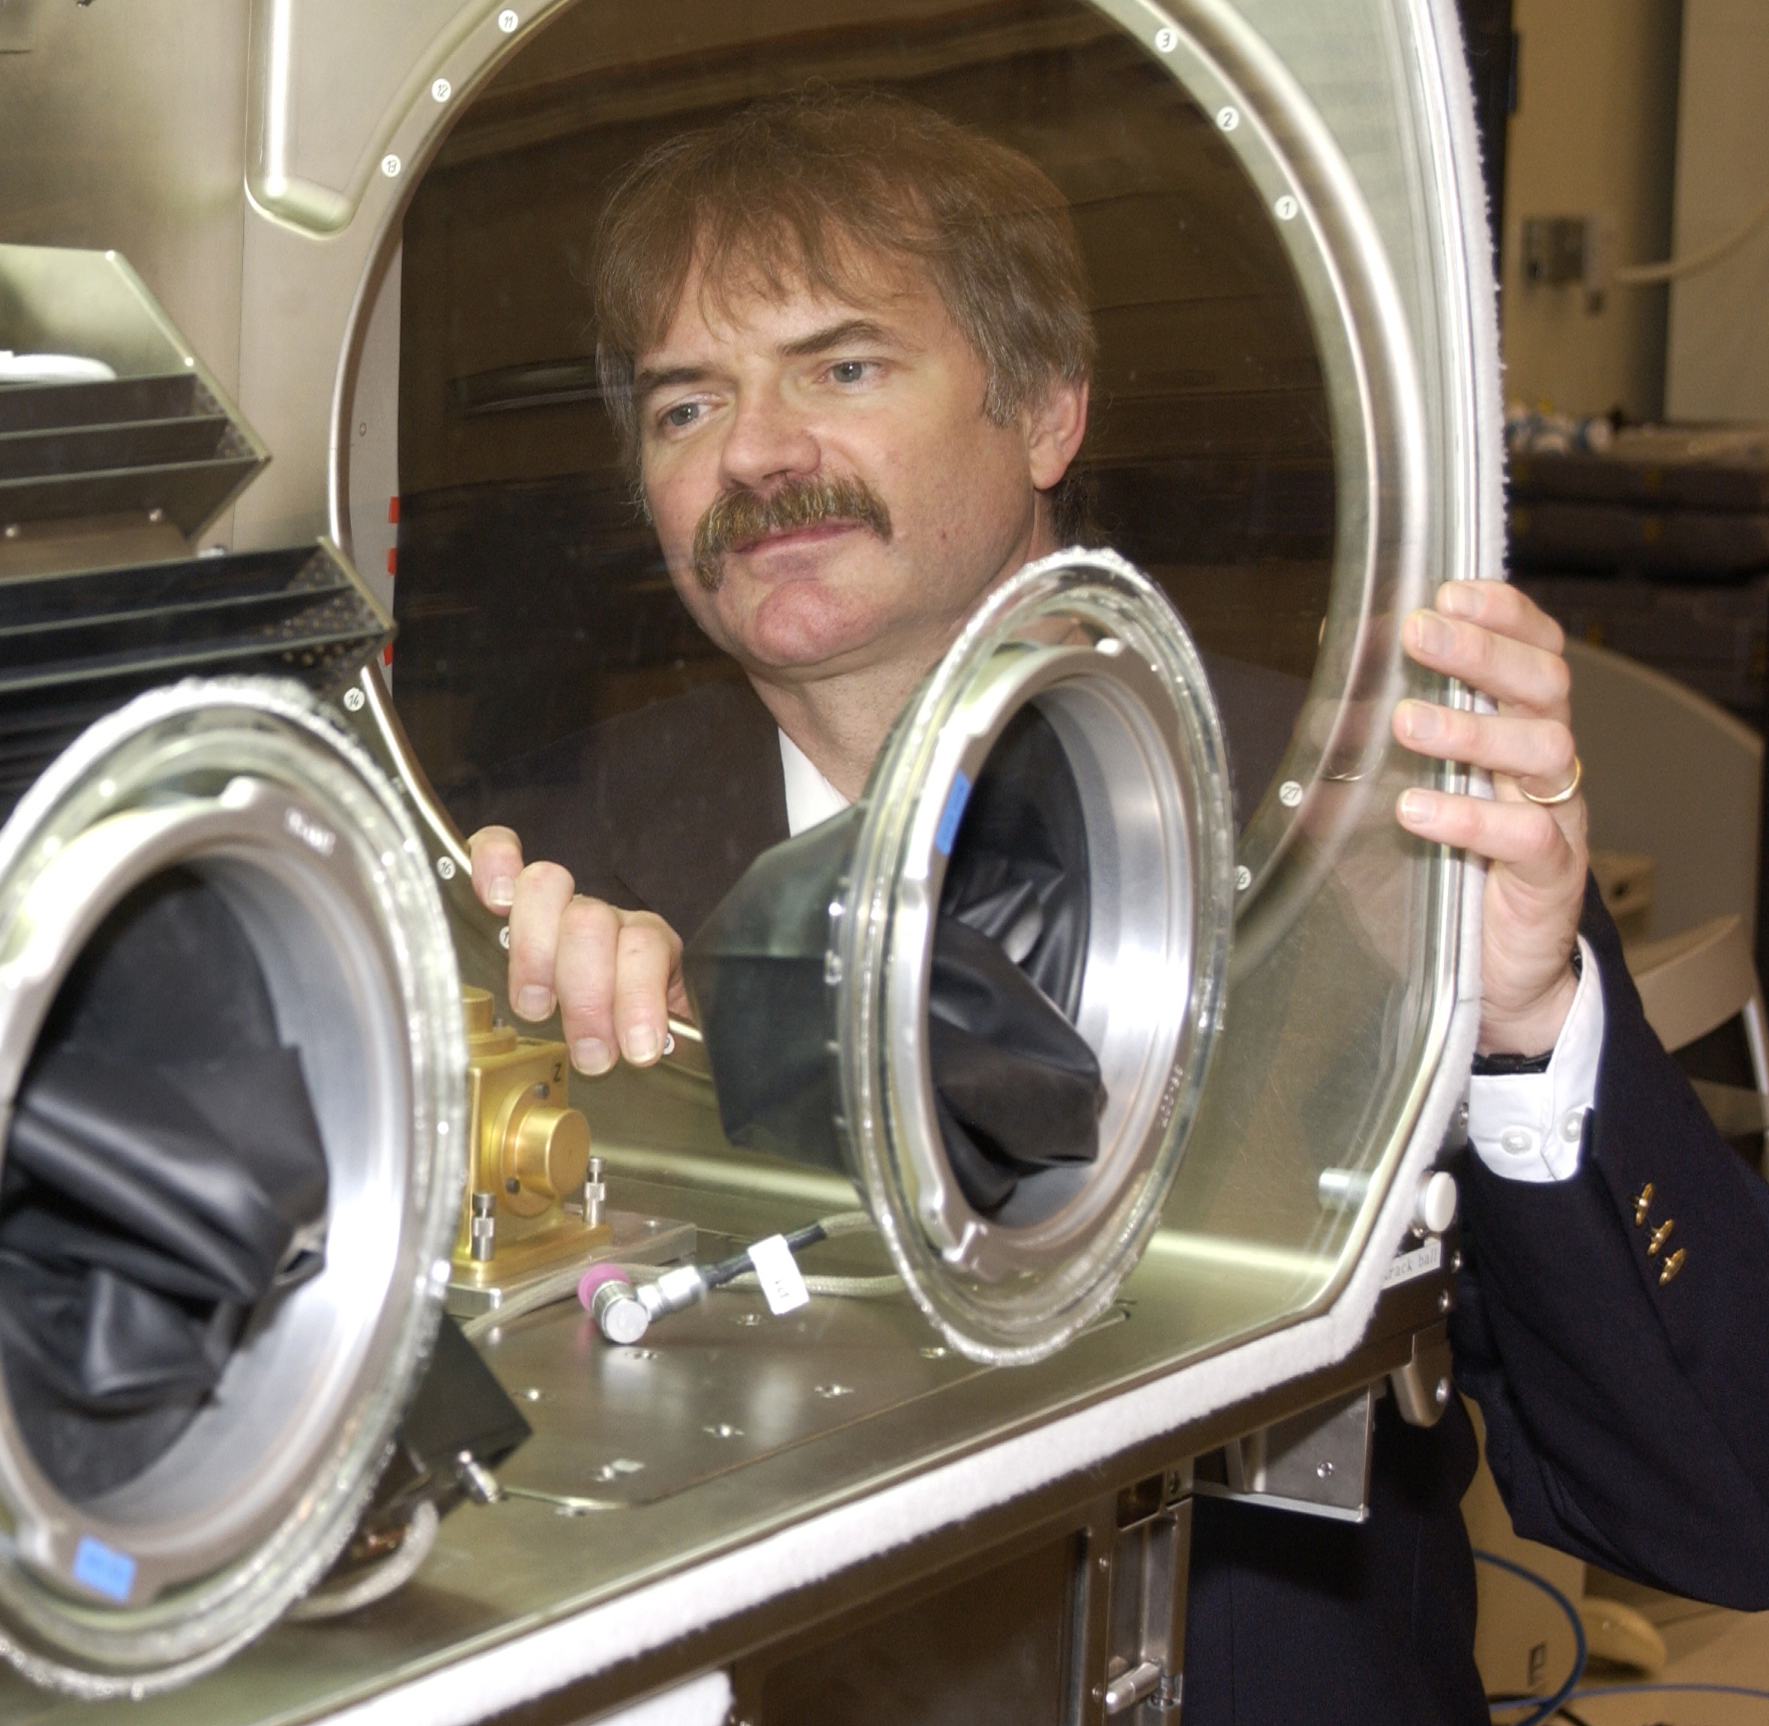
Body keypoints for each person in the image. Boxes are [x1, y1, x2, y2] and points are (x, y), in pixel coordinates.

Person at [458, 88, 1769, 1723]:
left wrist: (1522, 1025)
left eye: (843, 369)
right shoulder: (536, 874)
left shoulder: (1348, 824)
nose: (757, 453)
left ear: (1048, 413)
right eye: (686, 403)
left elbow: (1716, 1503)